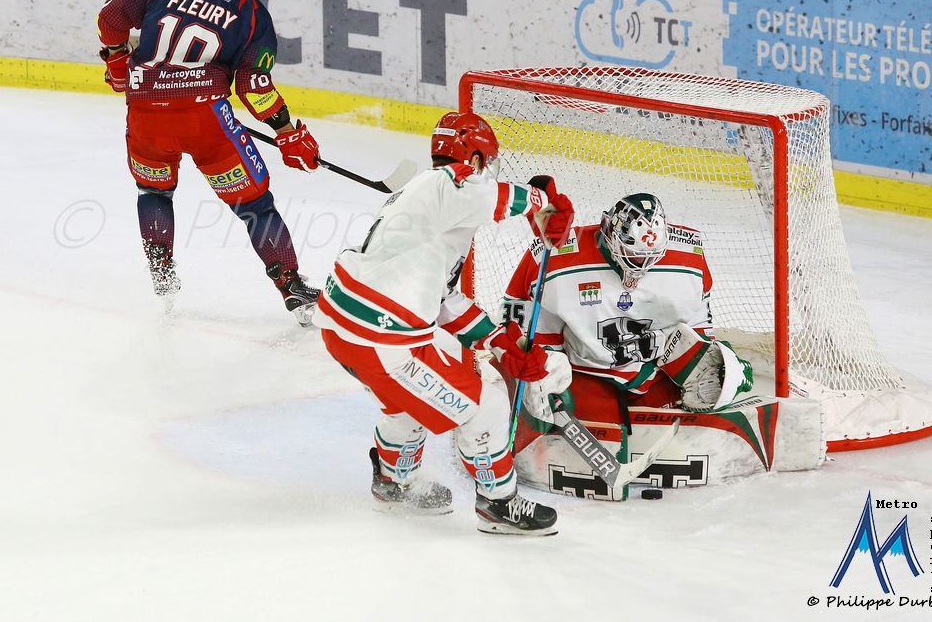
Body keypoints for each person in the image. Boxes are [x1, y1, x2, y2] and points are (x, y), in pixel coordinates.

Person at [313, 112, 575, 535]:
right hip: (380, 339)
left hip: (345, 329)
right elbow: (491, 196)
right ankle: (498, 504)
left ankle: (393, 483)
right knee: (487, 406)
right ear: (474, 158)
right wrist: (544, 201)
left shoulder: (427, 209)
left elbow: (444, 300)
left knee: (406, 406)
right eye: (486, 163)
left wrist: (498, 341)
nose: (487, 172)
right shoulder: (448, 182)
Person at [97, 0, 322, 324]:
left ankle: (161, 271)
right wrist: (287, 132)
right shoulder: (254, 15)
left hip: (145, 115)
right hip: (205, 123)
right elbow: (253, 86)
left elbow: (111, 17)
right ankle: (291, 287)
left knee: (153, 190)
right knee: (255, 206)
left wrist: (117, 59)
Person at [502, 193, 754, 431]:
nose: (642, 263)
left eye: (650, 255)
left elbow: (697, 325)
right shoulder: (555, 256)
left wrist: (714, 361)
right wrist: (541, 365)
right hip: (584, 373)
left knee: (692, 433)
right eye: (633, 252)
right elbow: (518, 310)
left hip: (655, 371)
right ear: (610, 234)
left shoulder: (688, 260)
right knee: (593, 435)